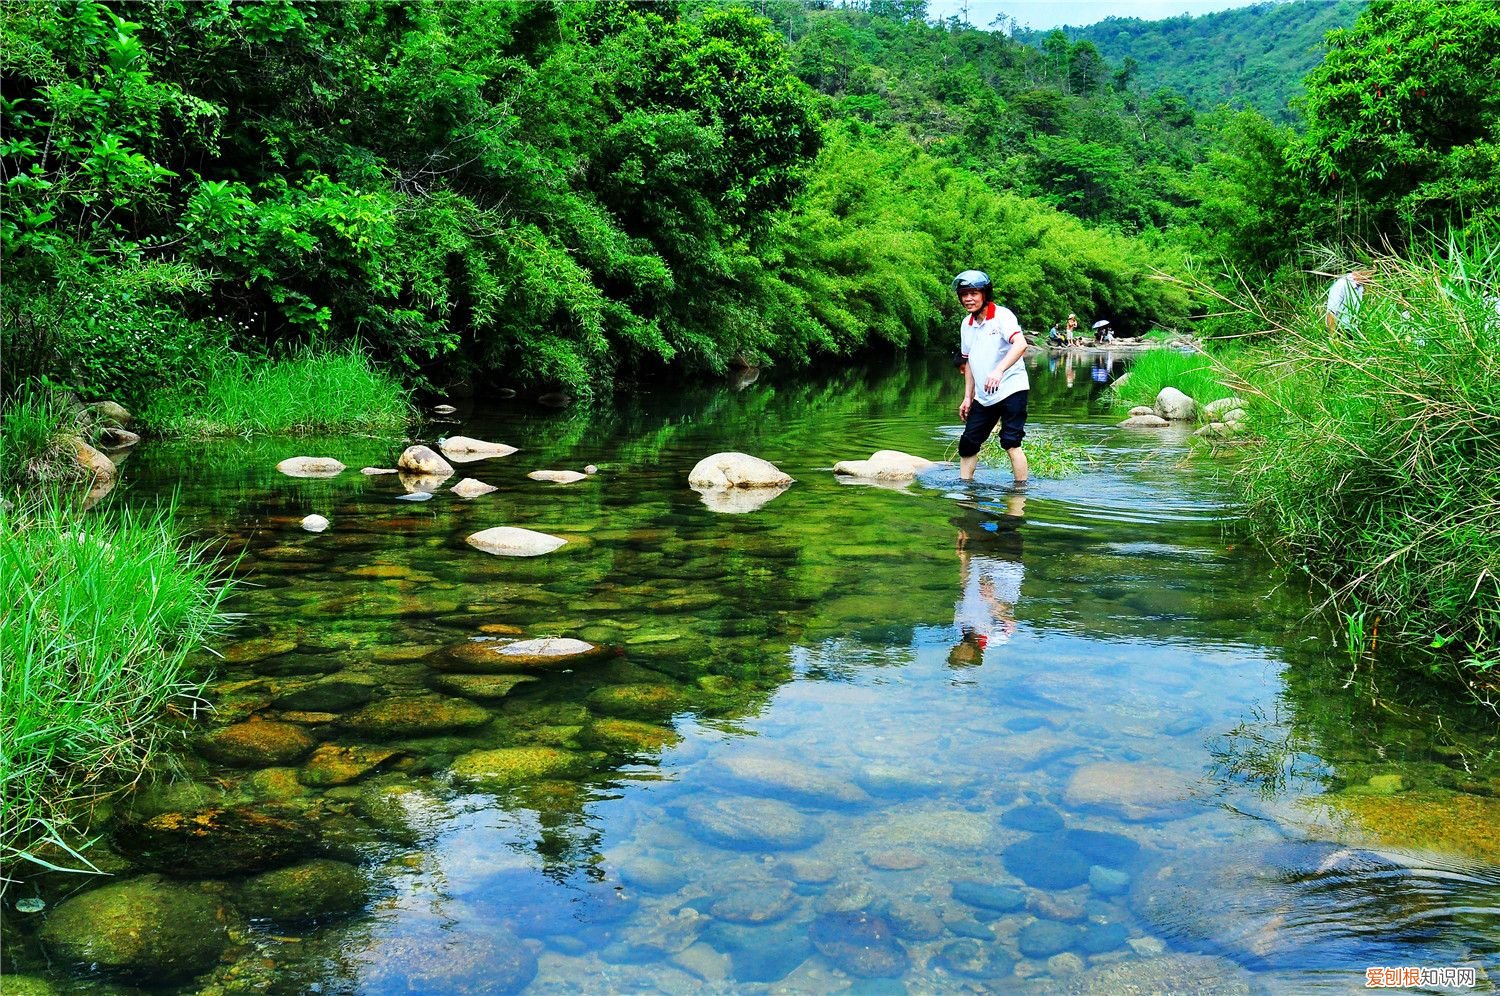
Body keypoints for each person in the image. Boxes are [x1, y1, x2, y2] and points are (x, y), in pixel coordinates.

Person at [952, 269, 1029, 484]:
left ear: (985, 294)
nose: (968, 299)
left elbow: (1021, 344)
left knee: (1011, 442)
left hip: (1012, 388)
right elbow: (968, 363)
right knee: (968, 443)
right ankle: (965, 489)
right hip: (984, 396)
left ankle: (1019, 494)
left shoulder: (1002, 316)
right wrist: (968, 396)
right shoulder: (966, 324)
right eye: (964, 294)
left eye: (974, 293)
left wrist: (999, 370)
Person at [947, 496, 1025, 669]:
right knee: (1009, 524)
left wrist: (963, 560)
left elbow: (964, 590)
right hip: (1007, 569)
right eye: (962, 657)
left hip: (980, 566)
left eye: (955, 654)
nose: (958, 651)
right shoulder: (997, 638)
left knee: (972, 521)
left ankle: (980, 494)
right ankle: (1019, 492)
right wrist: (993, 601)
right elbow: (1011, 620)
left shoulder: (959, 627)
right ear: (976, 657)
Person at [1325, 268, 1373, 334]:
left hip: (1354, 330)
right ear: (1362, 271)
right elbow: (1331, 312)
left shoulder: (1360, 285)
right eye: (1370, 274)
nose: (1371, 277)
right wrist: (1333, 337)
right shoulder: (1341, 285)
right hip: (1340, 331)